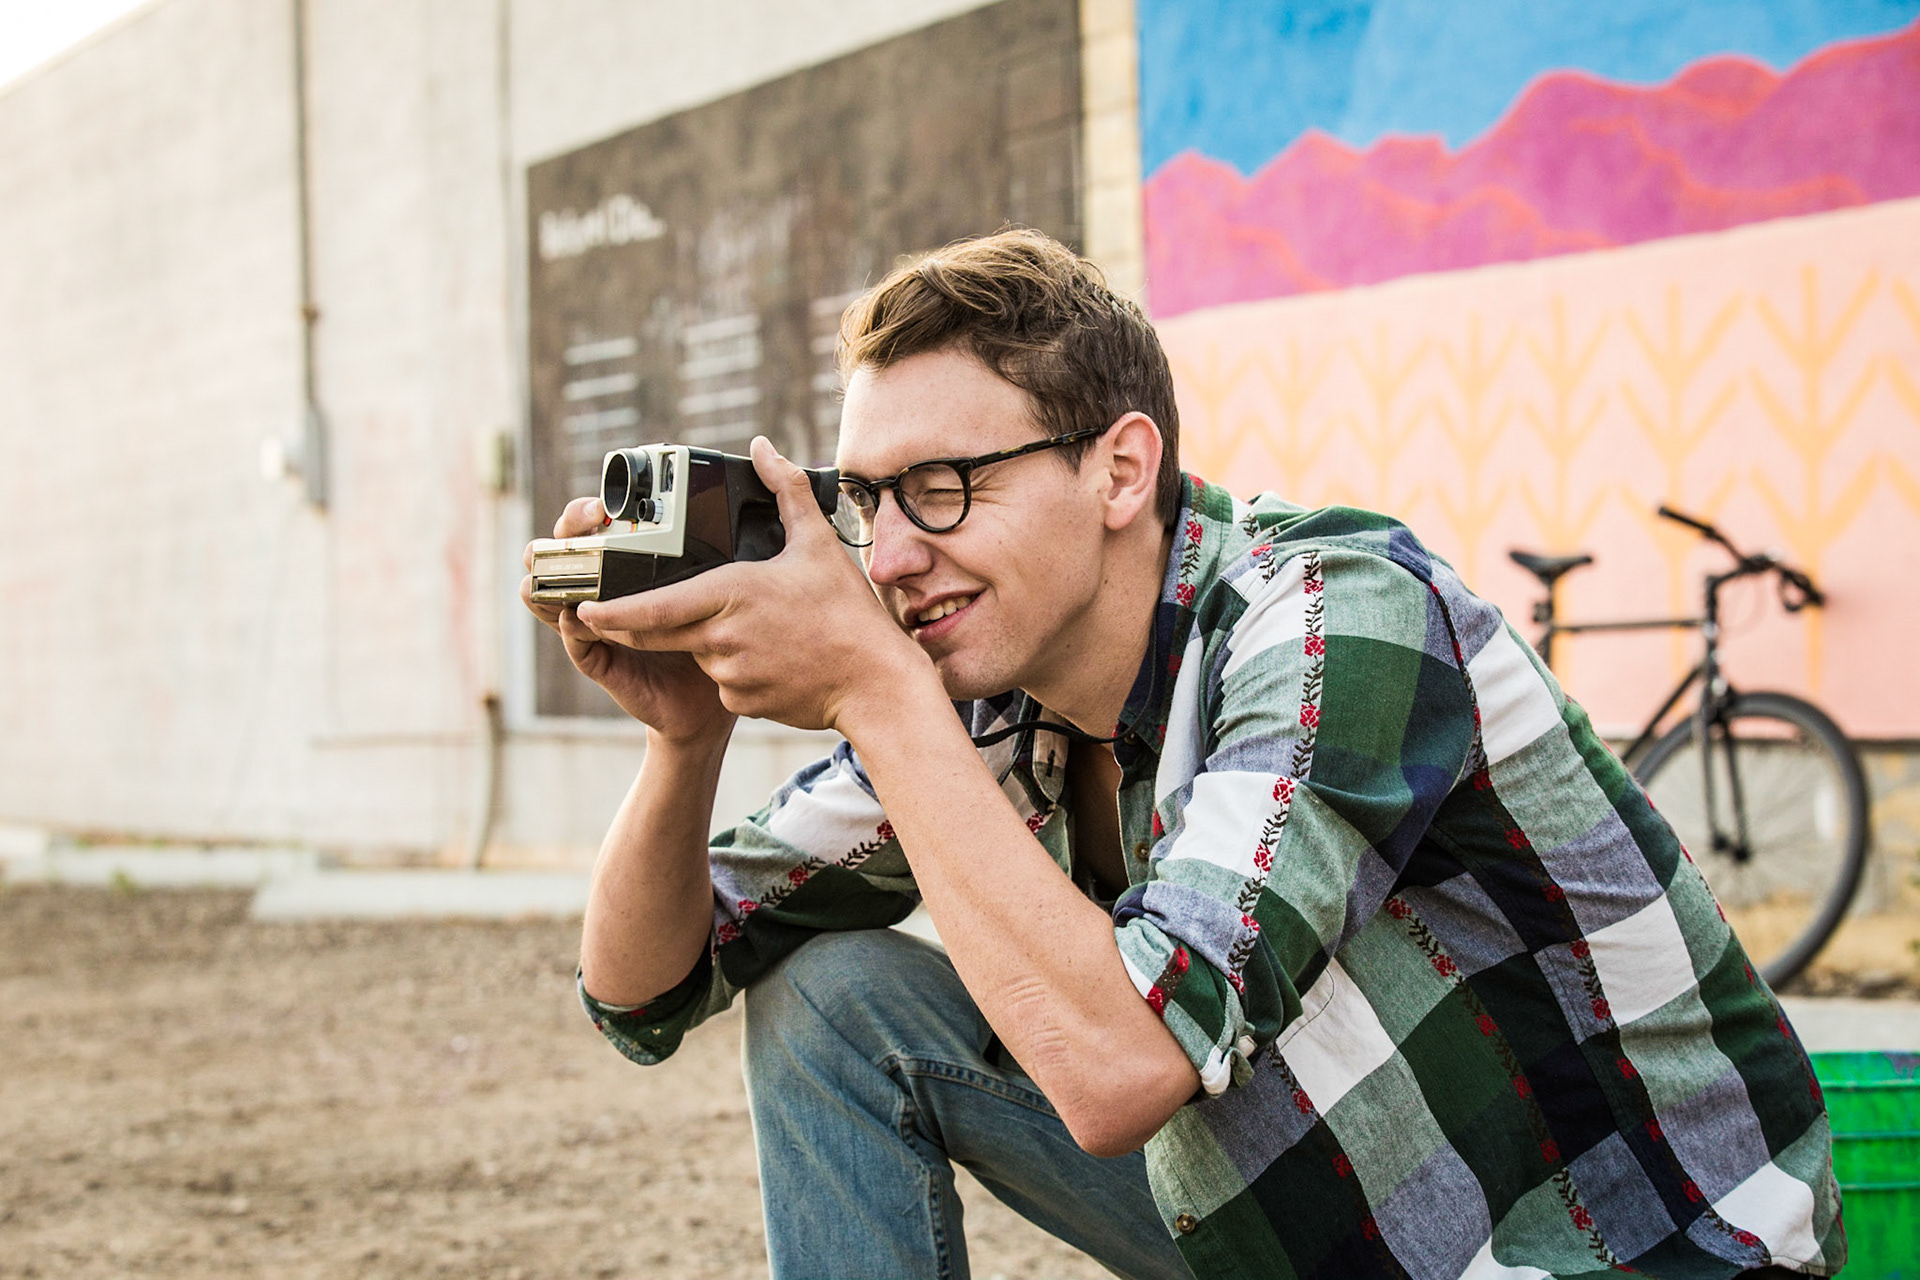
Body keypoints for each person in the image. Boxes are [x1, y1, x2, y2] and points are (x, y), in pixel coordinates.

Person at [521, 229, 1843, 1280]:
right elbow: (641, 995)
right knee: (834, 1001)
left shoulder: (1336, 614)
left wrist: (875, 690)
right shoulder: (985, 686)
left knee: (1118, 1029)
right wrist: (687, 741)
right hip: (1326, 1225)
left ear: (1119, 470)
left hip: (1630, 1250)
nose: (896, 555)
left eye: (942, 488)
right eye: (867, 502)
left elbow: (1121, 1074)